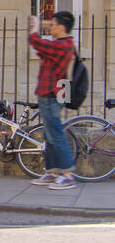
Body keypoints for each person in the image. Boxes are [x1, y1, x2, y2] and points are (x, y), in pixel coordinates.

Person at [29, 11, 80, 191]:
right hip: (53, 91)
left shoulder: (63, 45)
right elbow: (42, 50)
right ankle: (52, 172)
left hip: (50, 92)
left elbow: (36, 41)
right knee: (49, 135)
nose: (49, 27)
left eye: (52, 24)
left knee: (56, 134)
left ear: (61, 27)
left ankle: (67, 175)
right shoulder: (61, 44)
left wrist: (34, 28)